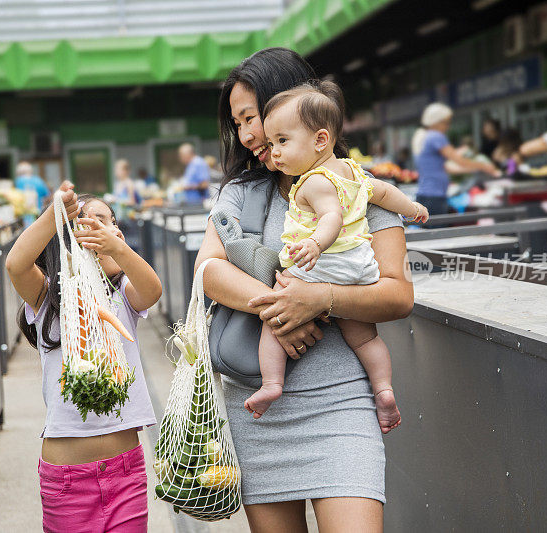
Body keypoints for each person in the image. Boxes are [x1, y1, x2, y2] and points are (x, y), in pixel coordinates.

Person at [195, 47, 415, 532]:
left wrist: (322, 300)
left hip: (341, 403)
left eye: (251, 116)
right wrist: (281, 310)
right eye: (239, 124)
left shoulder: (358, 188)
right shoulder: (241, 191)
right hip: (258, 405)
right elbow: (208, 271)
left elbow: (398, 294)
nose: (248, 134)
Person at [243, 81, 428, 426]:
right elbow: (387, 193)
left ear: (320, 140)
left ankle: (271, 383)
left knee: (276, 318)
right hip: (359, 270)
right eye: (271, 143)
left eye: (282, 141)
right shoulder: (356, 174)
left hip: (322, 266)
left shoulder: (314, 181)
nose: (275, 152)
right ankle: (384, 389)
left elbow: (331, 216)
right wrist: (412, 207)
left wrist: (314, 244)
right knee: (365, 337)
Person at [6, 182, 162, 532]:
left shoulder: (123, 296)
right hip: (66, 481)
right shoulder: (46, 298)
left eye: (111, 223)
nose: (107, 229)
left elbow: (152, 290)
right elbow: (16, 264)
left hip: (126, 472)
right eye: (92, 221)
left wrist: (118, 249)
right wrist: (55, 212)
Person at [412, 103, 499, 216]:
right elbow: (459, 161)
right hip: (435, 197)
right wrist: (484, 166)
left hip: (426, 196)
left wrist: (475, 169)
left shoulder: (424, 136)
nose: (448, 127)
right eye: (446, 122)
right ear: (436, 121)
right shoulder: (436, 136)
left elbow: (445, 167)